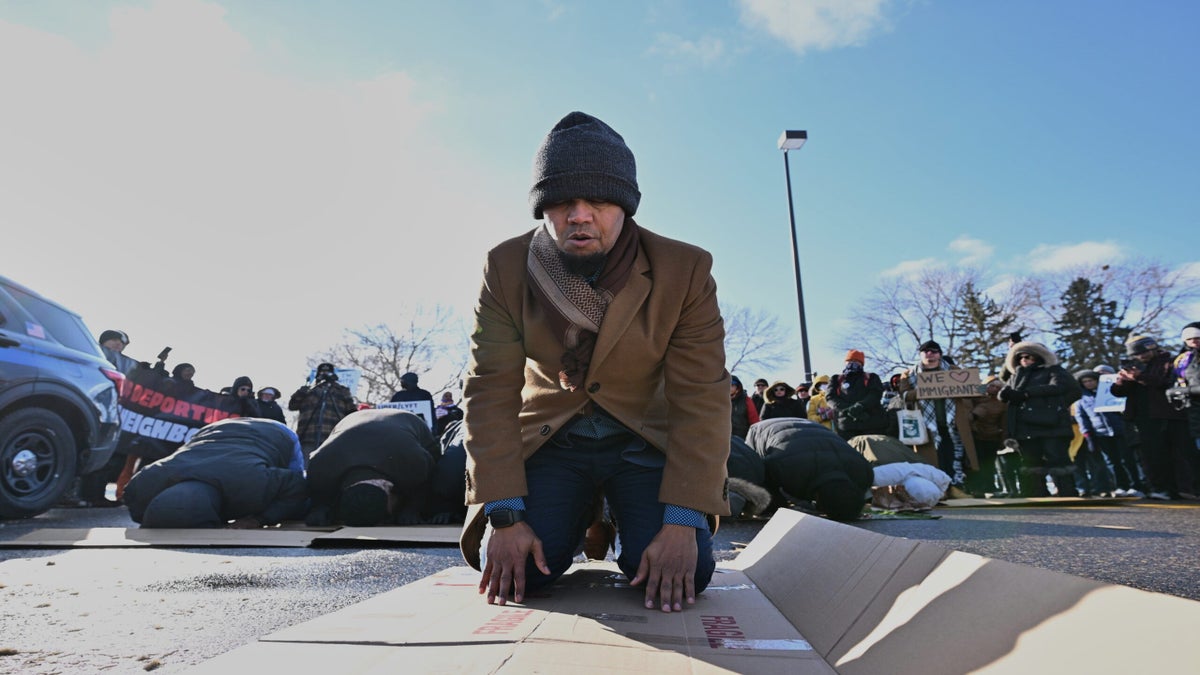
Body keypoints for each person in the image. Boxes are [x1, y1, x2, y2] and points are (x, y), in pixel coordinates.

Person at [461, 111, 729, 613]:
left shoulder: (685, 270)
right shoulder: (504, 266)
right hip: (552, 439)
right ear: (542, 208)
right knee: (517, 575)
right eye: (561, 202)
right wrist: (502, 515)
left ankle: (622, 514)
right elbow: (489, 388)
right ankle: (579, 510)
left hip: (643, 440)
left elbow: (702, 395)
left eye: (599, 201)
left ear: (625, 205)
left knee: (687, 573)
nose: (579, 215)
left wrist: (683, 520)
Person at [123, 418, 307, 528]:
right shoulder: (146, 482)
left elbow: (300, 484)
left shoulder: (252, 483)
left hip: (278, 432)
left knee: (300, 504)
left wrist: (259, 519)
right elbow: (135, 506)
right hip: (212, 429)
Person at [306, 409, 445, 526]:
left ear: (388, 486)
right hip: (350, 421)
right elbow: (320, 497)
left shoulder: (413, 461)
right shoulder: (319, 467)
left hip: (407, 421)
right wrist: (320, 507)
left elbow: (433, 480)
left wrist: (413, 508)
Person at [1111, 335, 1195, 499]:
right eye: (1137, 354)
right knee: (1152, 456)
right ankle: (1161, 488)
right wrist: (1122, 380)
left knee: (1177, 454)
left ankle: (1185, 489)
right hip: (1143, 417)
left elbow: (1163, 382)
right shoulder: (1136, 366)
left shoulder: (1169, 361)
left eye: (1143, 352)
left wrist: (1139, 377)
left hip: (1169, 415)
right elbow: (1118, 392)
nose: (1141, 356)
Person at [744, 418, 871, 522]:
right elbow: (759, 471)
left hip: (810, 427)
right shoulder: (786, 467)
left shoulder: (864, 473)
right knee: (759, 478)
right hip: (761, 430)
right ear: (818, 500)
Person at [895, 340, 979, 497]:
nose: (929, 354)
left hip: (953, 423)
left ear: (940, 355)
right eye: (925, 351)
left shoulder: (953, 371)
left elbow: (970, 389)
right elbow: (904, 395)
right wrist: (924, 391)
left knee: (955, 456)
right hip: (926, 426)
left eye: (934, 351)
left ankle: (957, 487)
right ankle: (938, 489)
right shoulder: (908, 374)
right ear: (920, 355)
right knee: (932, 460)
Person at [997, 341, 1081, 497]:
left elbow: (1067, 389)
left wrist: (1053, 405)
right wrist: (1004, 394)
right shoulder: (1016, 376)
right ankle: (1037, 493)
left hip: (1052, 425)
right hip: (1025, 427)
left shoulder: (1054, 370)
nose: (1024, 359)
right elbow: (1006, 389)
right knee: (1031, 461)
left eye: (1028, 356)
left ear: (1038, 357)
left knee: (1058, 459)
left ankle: (1067, 492)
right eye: (1020, 357)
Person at [289, 362, 359, 464]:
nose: (325, 375)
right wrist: (303, 389)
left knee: (328, 468)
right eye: (322, 373)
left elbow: (352, 413)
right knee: (305, 469)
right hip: (308, 437)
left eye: (328, 373)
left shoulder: (342, 390)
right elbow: (292, 406)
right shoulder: (308, 390)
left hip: (332, 438)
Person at [1072, 370, 1120, 497]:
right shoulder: (1081, 398)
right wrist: (1087, 433)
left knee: (1109, 462)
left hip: (1111, 430)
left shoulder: (1106, 393)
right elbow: (1081, 416)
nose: (1088, 384)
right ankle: (1094, 487)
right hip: (1090, 434)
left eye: (1091, 380)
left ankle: (1111, 487)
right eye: (1085, 382)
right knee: (1093, 463)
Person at [826, 350, 889, 440]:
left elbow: (875, 394)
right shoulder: (836, 379)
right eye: (849, 361)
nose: (852, 364)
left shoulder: (871, 377)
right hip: (846, 426)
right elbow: (830, 398)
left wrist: (860, 406)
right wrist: (847, 409)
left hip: (871, 424)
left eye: (856, 361)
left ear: (861, 363)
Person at [729, 375, 760, 440]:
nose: (729, 387)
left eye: (732, 385)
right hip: (721, 437)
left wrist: (756, 435)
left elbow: (754, 420)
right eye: (726, 385)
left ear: (737, 387)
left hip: (742, 437)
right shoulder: (718, 400)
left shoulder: (746, 400)